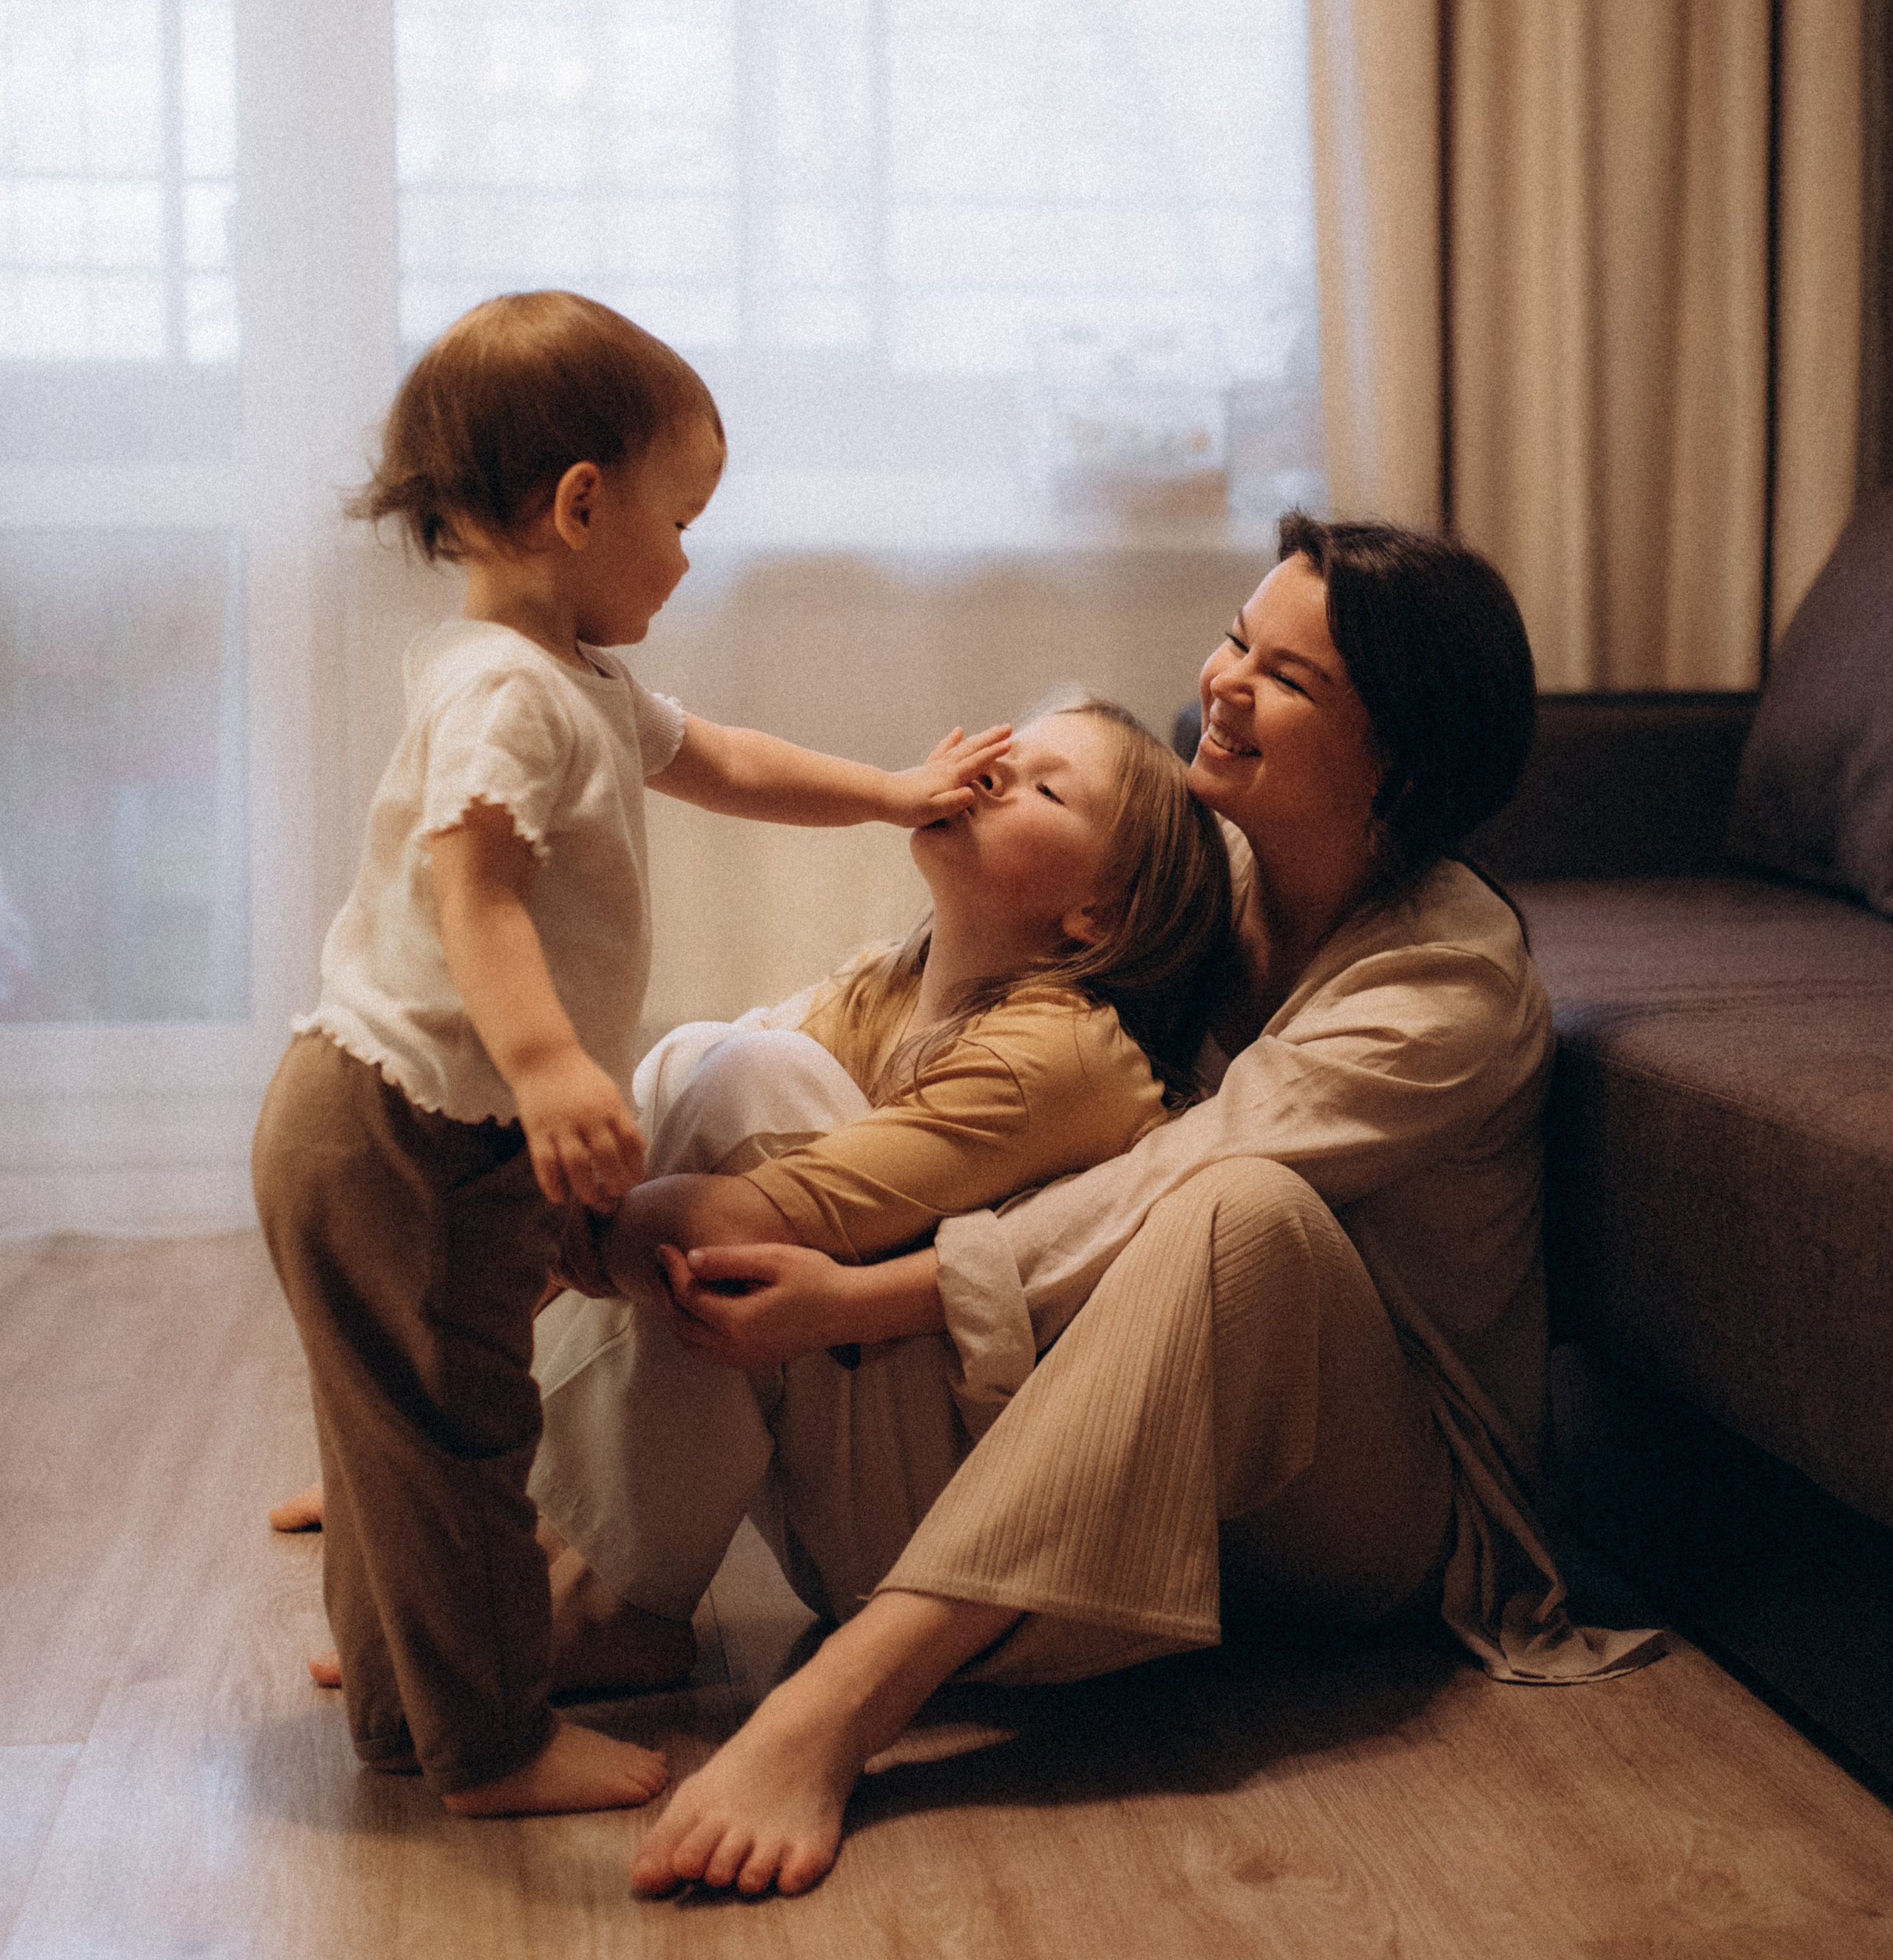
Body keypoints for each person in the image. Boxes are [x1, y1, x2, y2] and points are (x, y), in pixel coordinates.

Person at [525, 513, 1660, 1896]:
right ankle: (585, 1567)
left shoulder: (1448, 985)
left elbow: (1172, 1185)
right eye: (1239, 639)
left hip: (1372, 1499)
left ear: (1401, 767)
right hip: (1125, 1402)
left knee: (1243, 1212)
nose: (1225, 681)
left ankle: (841, 1707)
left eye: (1290, 679)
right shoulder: (1210, 878)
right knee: (744, 1065)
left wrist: (865, 1298)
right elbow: (893, 1002)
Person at [250, 289, 1010, 1820]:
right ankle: (492, 1744)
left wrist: (885, 791)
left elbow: (719, 755)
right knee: (462, 1439)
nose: (686, 557)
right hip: (407, 1124)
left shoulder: (566, 676)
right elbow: (472, 889)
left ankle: (406, 1715)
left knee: (402, 1438)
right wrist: (548, 1065)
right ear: (582, 504)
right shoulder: (504, 693)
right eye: (680, 520)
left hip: (382, 1117)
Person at [557, 696, 1233, 1305]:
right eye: (1000, 754)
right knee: (705, 1055)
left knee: (754, 1074)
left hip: (935, 1387)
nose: (986, 774)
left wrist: (533, 1228)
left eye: (1047, 788)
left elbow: (733, 1227)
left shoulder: (1066, 1053)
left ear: (1102, 913)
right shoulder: (890, 981)